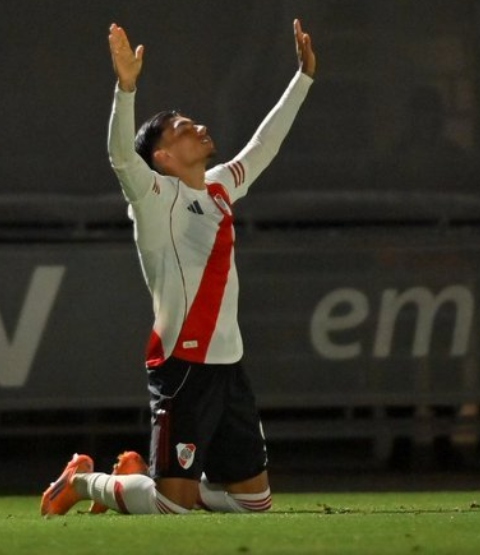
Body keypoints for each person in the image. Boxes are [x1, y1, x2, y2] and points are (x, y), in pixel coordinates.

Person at [41, 18, 316, 516]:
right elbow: (122, 156)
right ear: (164, 156)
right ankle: (85, 483)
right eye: (184, 128)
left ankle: (153, 479)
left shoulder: (218, 186)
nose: (199, 128)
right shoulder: (154, 197)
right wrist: (126, 88)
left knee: (255, 504)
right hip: (183, 368)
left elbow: (264, 146)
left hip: (229, 367)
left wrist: (303, 78)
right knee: (173, 509)